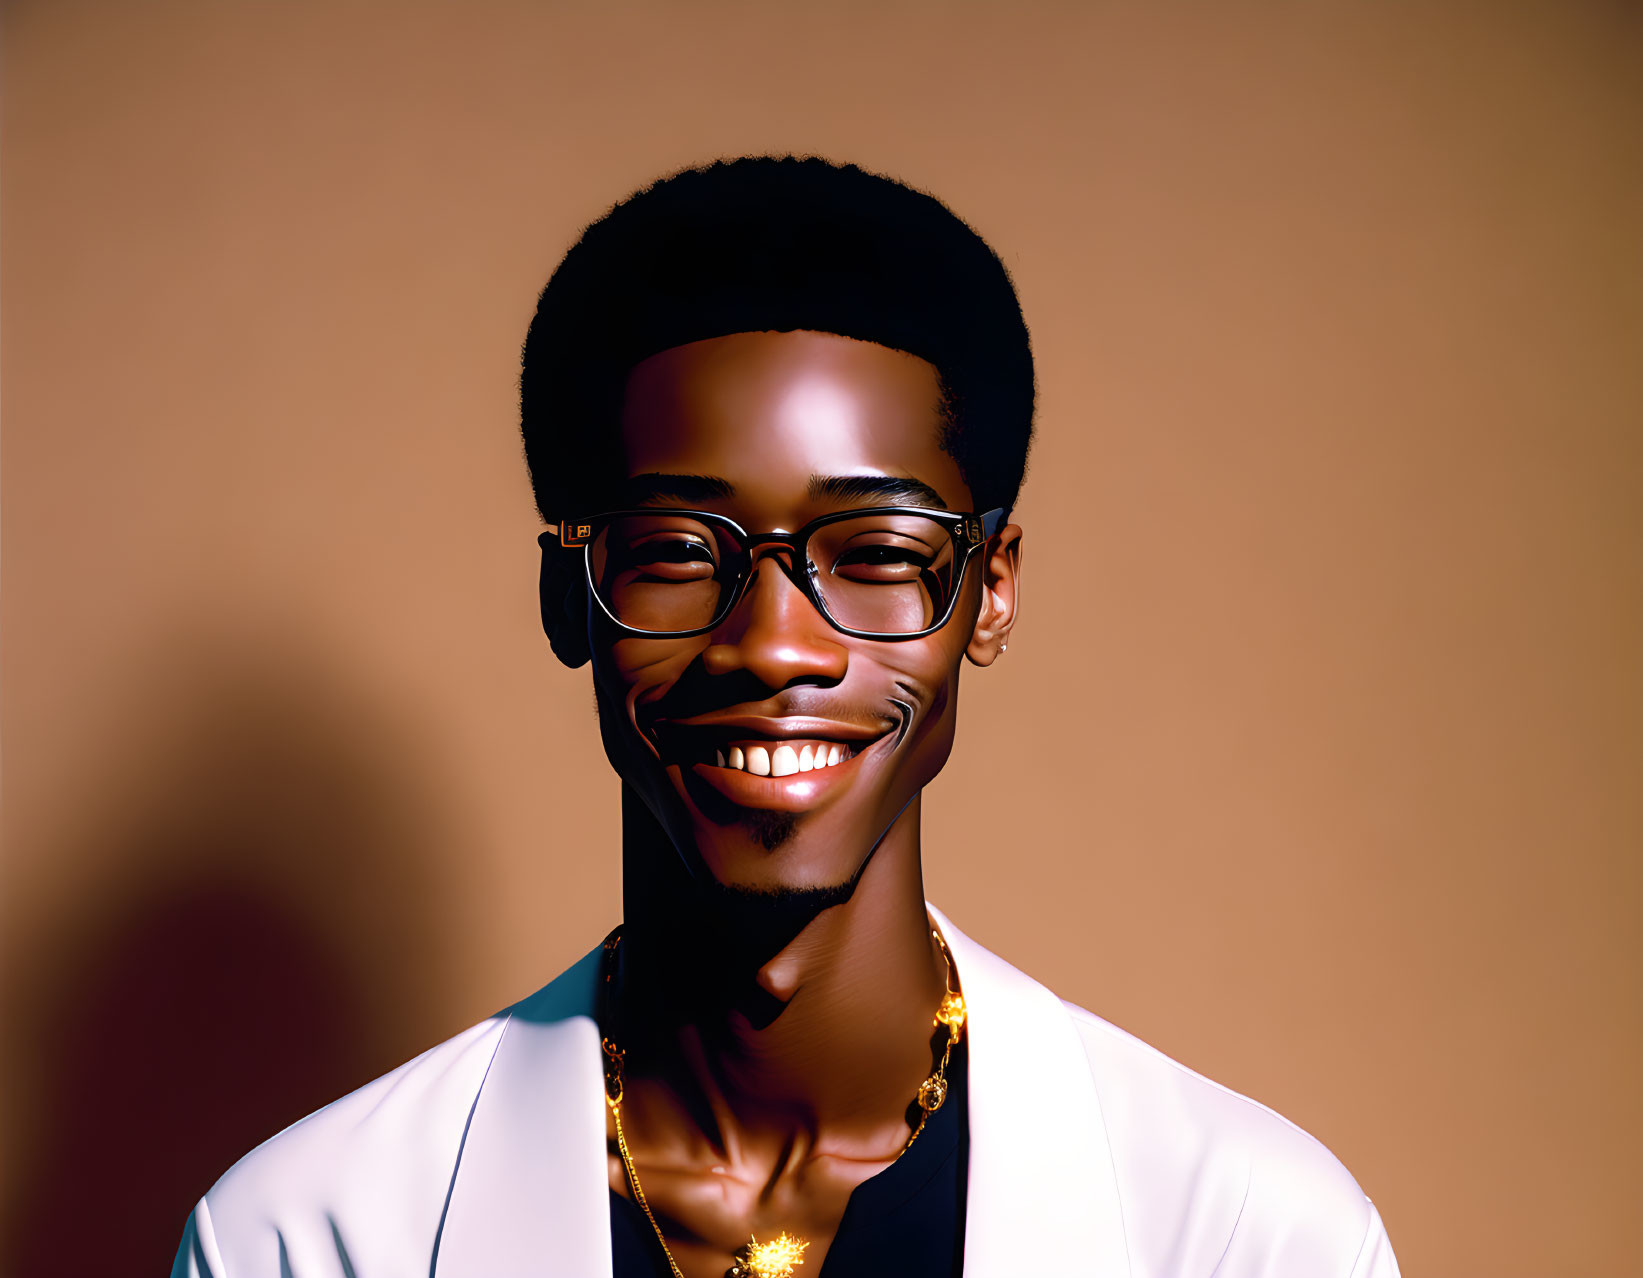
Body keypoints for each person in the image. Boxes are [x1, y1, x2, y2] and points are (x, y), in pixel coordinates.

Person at [171, 156, 1400, 1278]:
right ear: (569, 600)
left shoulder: (1251, 1236)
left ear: (989, 592)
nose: (770, 644)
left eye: (872, 549)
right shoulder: (303, 1237)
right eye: (674, 550)